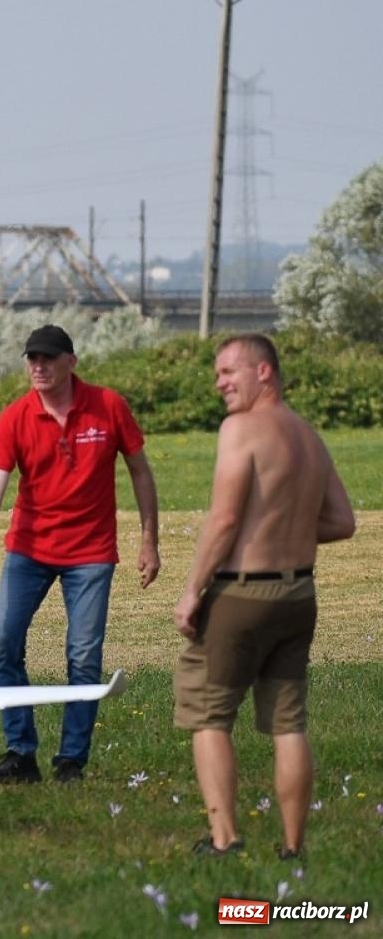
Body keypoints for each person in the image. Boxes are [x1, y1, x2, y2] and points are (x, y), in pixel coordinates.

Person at [173, 334, 355, 859]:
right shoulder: (308, 435)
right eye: (217, 375)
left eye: (228, 372)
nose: (220, 384)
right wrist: (283, 527)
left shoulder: (240, 429)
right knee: (288, 723)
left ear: (264, 372)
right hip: (299, 594)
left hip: (241, 595)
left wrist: (192, 591)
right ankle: (293, 846)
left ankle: (224, 838)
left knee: (209, 715)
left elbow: (225, 519)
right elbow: (342, 522)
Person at [0, 324, 161, 784]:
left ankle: (71, 760)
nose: (39, 366)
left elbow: (141, 472)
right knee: (4, 644)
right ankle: (20, 753)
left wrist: (149, 541)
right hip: (28, 551)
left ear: (71, 362)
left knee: (83, 656)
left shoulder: (108, 406)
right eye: (32, 358)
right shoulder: (15, 417)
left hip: (91, 553)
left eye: (48, 358)